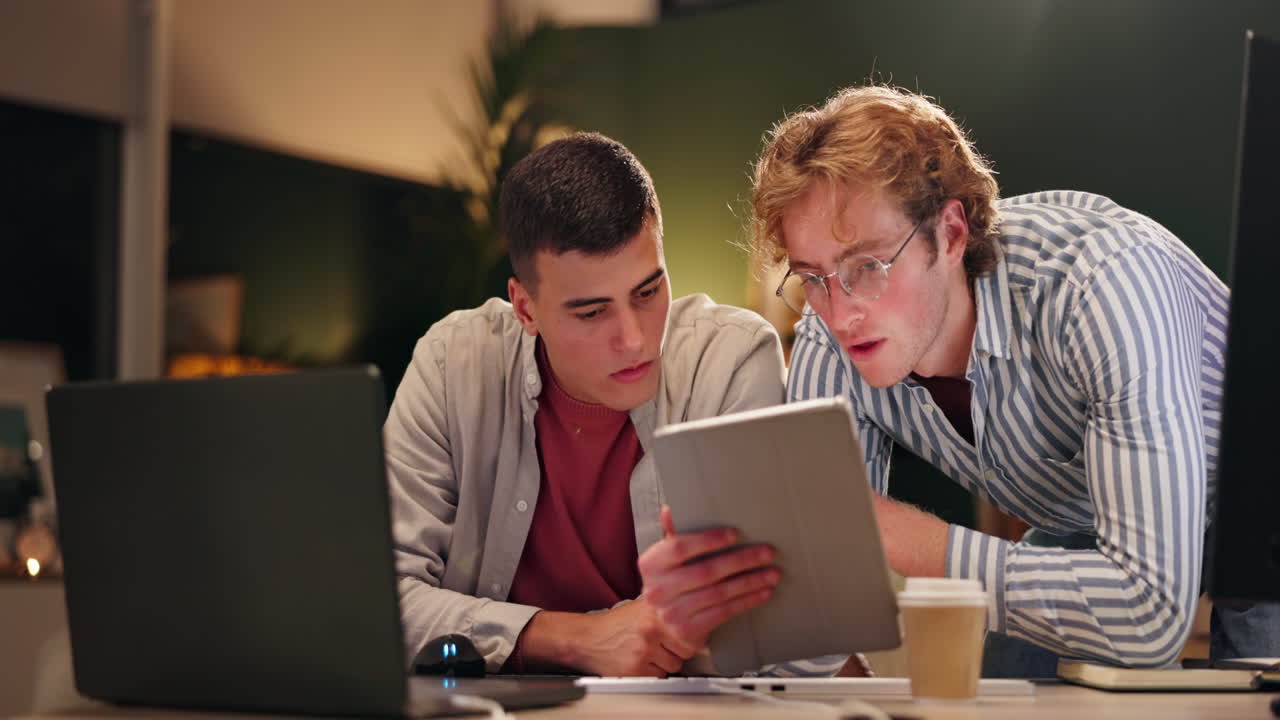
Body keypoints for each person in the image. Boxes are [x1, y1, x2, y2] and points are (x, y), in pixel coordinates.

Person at [638, 85, 1279, 675]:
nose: (838, 312)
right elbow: (814, 636)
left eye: (866, 265)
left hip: (1264, 513)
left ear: (949, 233)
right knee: (1000, 681)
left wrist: (891, 533)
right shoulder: (830, 334)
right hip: (1095, 521)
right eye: (812, 276)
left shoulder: (1100, 283)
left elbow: (1150, 617)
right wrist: (721, 615)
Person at [384, 132, 841, 677]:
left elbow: (794, 637)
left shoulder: (731, 361)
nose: (634, 339)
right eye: (591, 312)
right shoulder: (450, 363)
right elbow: (378, 604)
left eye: (648, 292)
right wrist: (574, 639)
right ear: (525, 308)